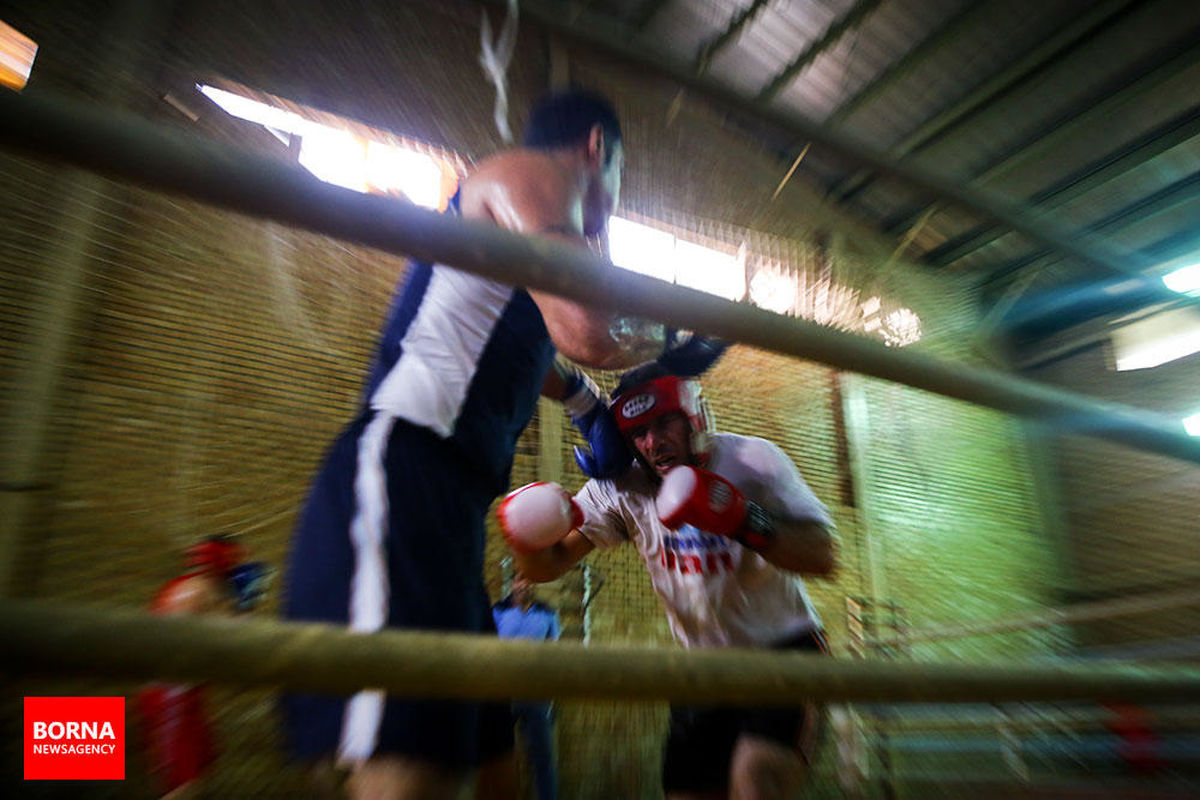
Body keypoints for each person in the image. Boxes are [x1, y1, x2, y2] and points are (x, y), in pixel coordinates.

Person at [281, 88, 723, 800]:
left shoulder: (519, 239)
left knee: (493, 768)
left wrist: (584, 406)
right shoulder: (529, 176)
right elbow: (587, 328)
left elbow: (531, 350)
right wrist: (674, 340)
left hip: (449, 504)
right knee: (409, 760)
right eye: (618, 178)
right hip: (401, 473)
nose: (609, 201)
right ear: (595, 151)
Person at [498, 363, 837, 800]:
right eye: (638, 431)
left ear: (692, 416)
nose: (653, 442)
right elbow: (546, 566)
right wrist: (523, 534)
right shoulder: (621, 488)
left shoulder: (753, 460)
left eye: (663, 424)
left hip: (784, 653)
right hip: (700, 667)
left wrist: (741, 517)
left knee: (757, 783)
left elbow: (824, 555)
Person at [137, 536, 270, 799]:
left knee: (199, 768)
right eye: (233, 562)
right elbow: (235, 642)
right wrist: (245, 605)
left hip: (176, 696)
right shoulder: (201, 591)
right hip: (172, 698)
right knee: (186, 785)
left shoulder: (179, 586)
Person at [492, 569, 562, 800]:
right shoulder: (498, 612)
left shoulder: (547, 614)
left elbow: (555, 655)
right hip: (503, 696)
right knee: (495, 757)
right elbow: (487, 652)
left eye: (528, 580)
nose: (524, 585)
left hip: (535, 695)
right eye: (520, 579)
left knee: (542, 759)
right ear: (512, 583)